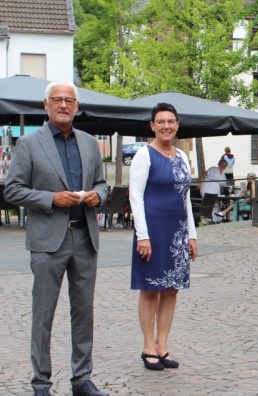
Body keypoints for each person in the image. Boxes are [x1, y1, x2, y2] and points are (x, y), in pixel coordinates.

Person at [4, 80, 110, 396]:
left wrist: (98, 196)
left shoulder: (90, 143)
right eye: (57, 100)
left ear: (76, 106)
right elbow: (13, 190)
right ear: (46, 105)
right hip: (48, 241)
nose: (64, 105)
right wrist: (52, 199)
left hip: (85, 240)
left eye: (69, 100)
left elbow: (103, 184)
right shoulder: (30, 143)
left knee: (84, 314)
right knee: (43, 315)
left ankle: (82, 380)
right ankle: (41, 383)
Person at [129, 102, 198, 371]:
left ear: (177, 125)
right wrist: (142, 236)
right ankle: (148, 347)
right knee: (150, 289)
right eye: (161, 121)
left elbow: (187, 198)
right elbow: (135, 196)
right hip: (153, 231)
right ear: (152, 126)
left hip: (178, 232)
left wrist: (192, 234)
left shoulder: (181, 155)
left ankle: (163, 345)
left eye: (171, 121)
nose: (166, 126)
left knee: (171, 290)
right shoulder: (144, 155)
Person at [198, 159, 228, 223]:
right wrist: (200, 182)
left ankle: (216, 220)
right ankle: (207, 219)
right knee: (210, 202)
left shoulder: (223, 174)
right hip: (208, 186)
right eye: (223, 164)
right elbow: (205, 174)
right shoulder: (213, 169)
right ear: (220, 164)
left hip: (216, 189)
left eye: (225, 165)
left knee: (217, 203)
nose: (224, 166)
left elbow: (224, 184)